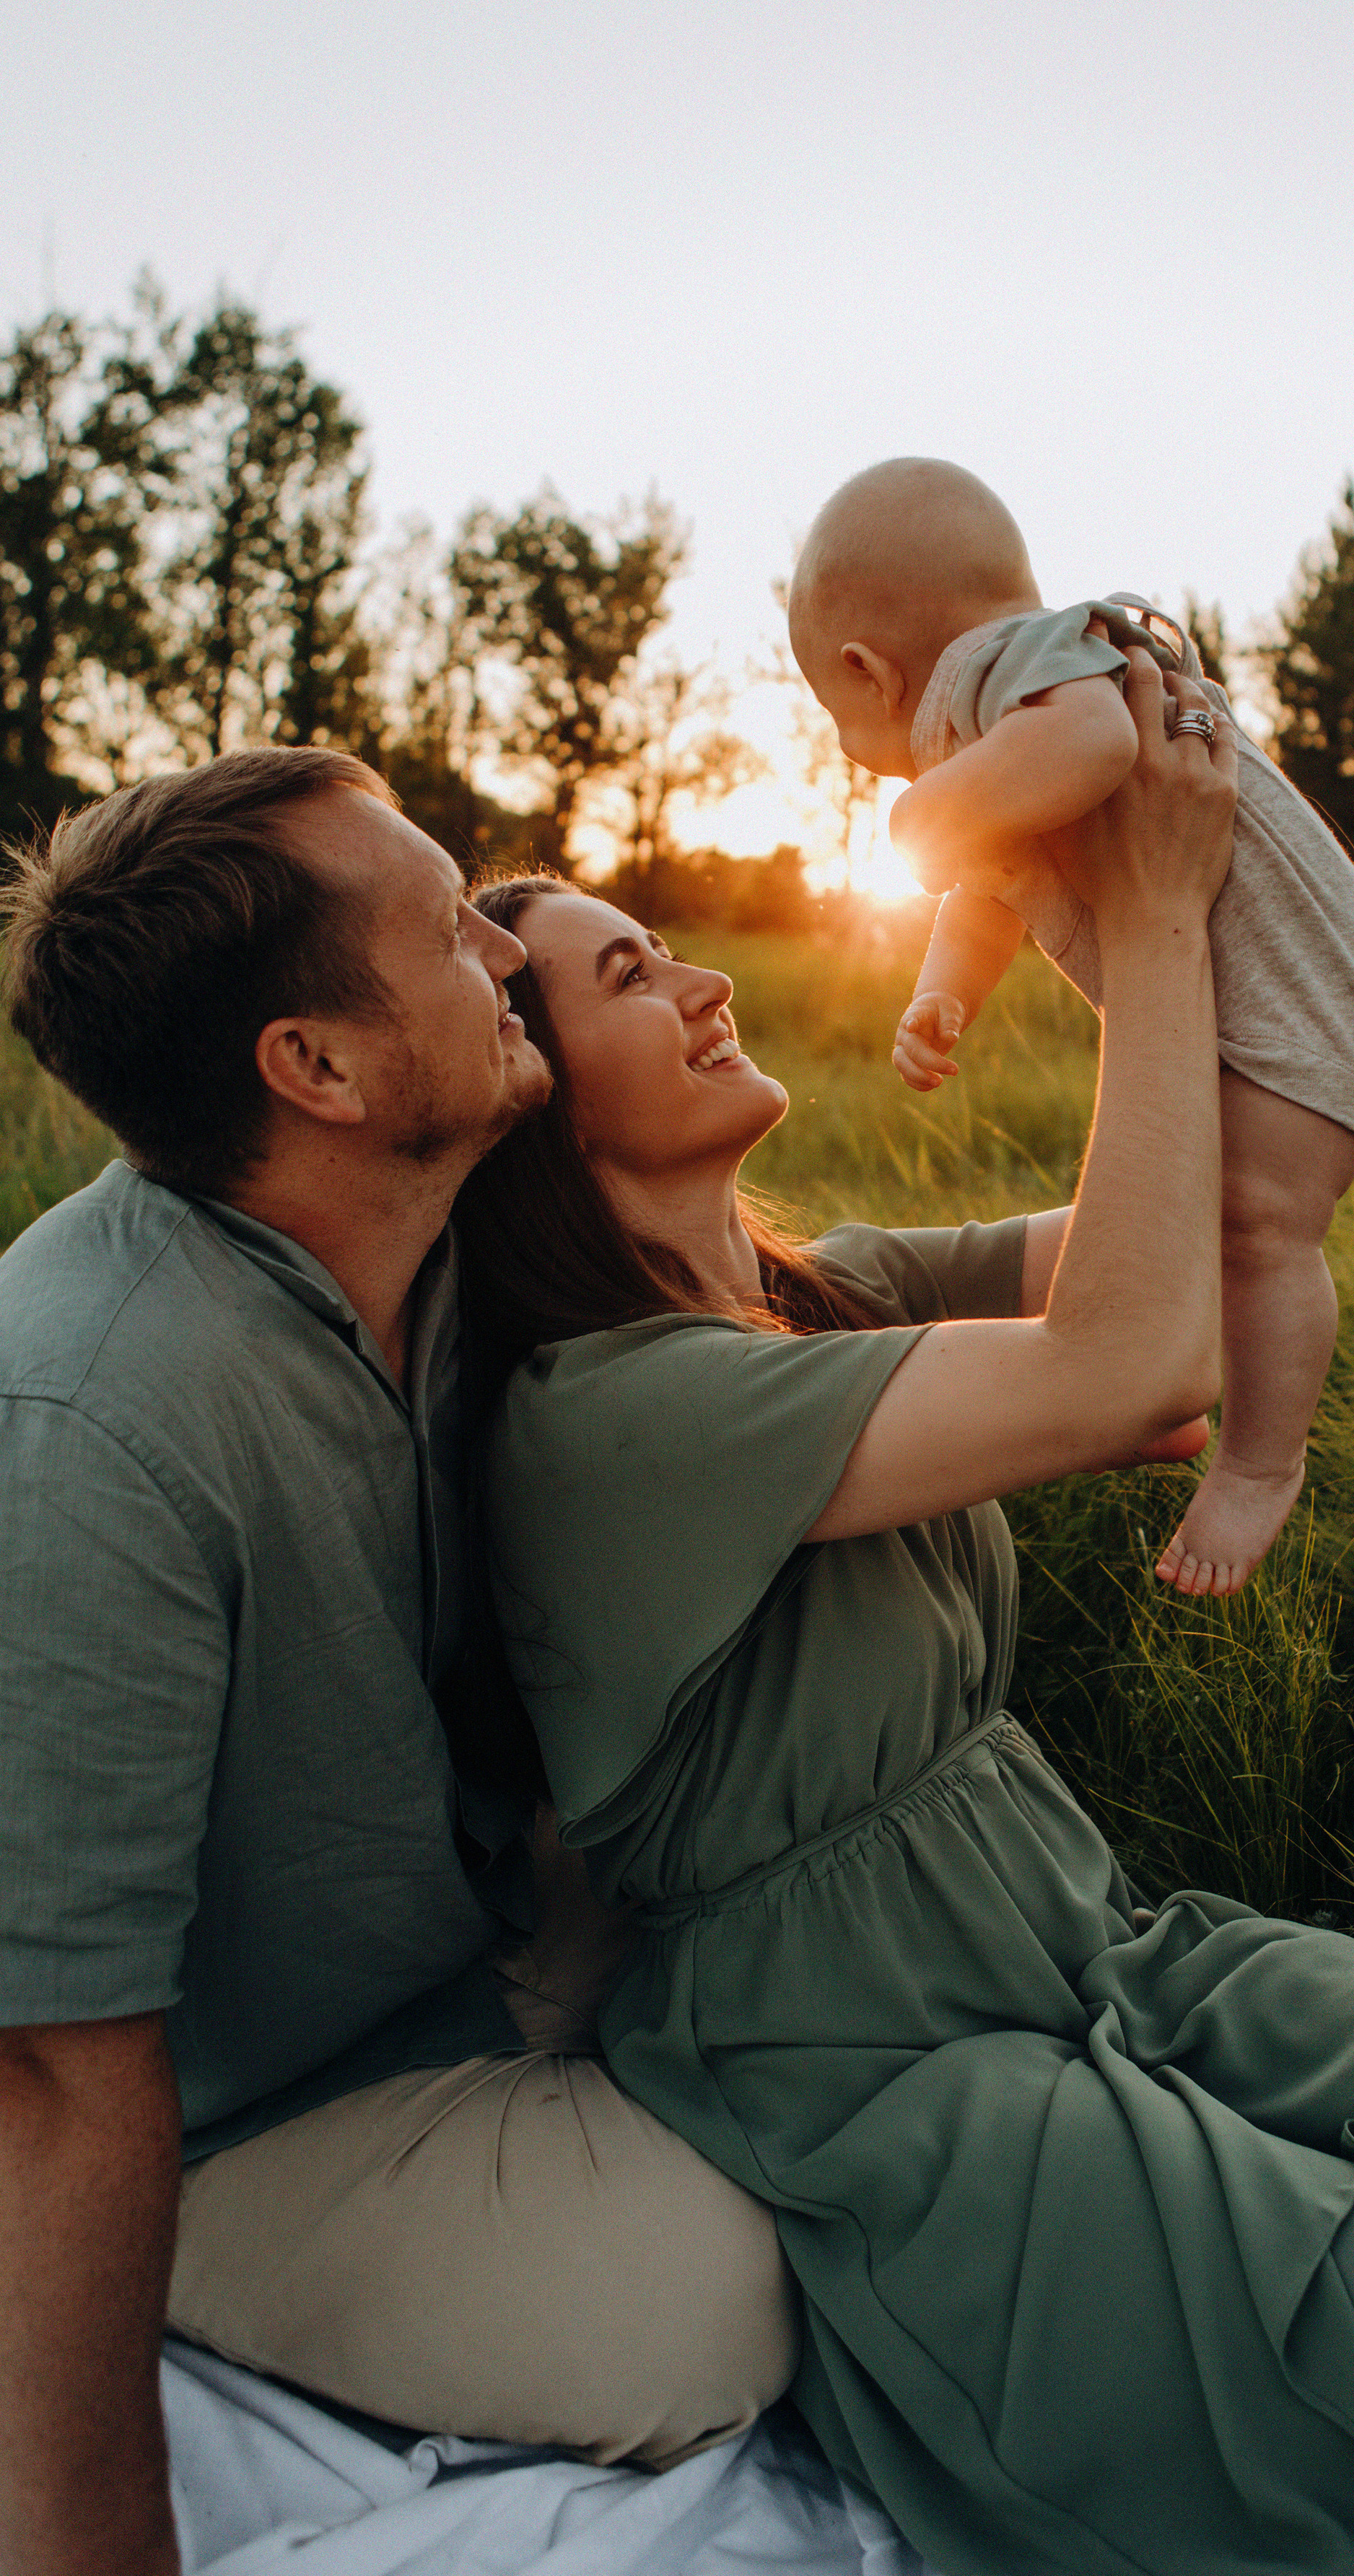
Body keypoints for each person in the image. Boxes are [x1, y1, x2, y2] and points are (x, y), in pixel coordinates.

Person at [455, 652, 1354, 2576]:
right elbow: (1129, 1372)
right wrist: (1171, 920)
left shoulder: (817, 1295)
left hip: (1085, 1947)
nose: (701, 977)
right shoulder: (602, 1418)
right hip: (906, 2097)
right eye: (627, 976)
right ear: (531, 1107)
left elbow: (1190, 1235)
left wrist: (1129, 880)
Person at [0, 748, 798, 2576]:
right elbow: (52, 2063)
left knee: (907, 2036)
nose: (507, 958)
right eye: (453, 933)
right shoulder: (88, 1418)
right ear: (322, 1069)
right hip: (248, 2111)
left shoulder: (446, 1241)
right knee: (713, 2313)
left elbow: (836, 1300)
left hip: (483, 1950)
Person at [786, 454, 1354, 1600]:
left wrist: (918, 811)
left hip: (1307, 1004)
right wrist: (945, 994)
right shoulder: (1006, 718)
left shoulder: (1011, 663)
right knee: (1217, 1212)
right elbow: (989, 887)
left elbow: (1097, 747)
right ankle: (1168, 1375)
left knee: (1259, 1223)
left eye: (838, 720)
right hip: (1314, 993)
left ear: (866, 671)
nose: (849, 749)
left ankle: (1262, 1463)